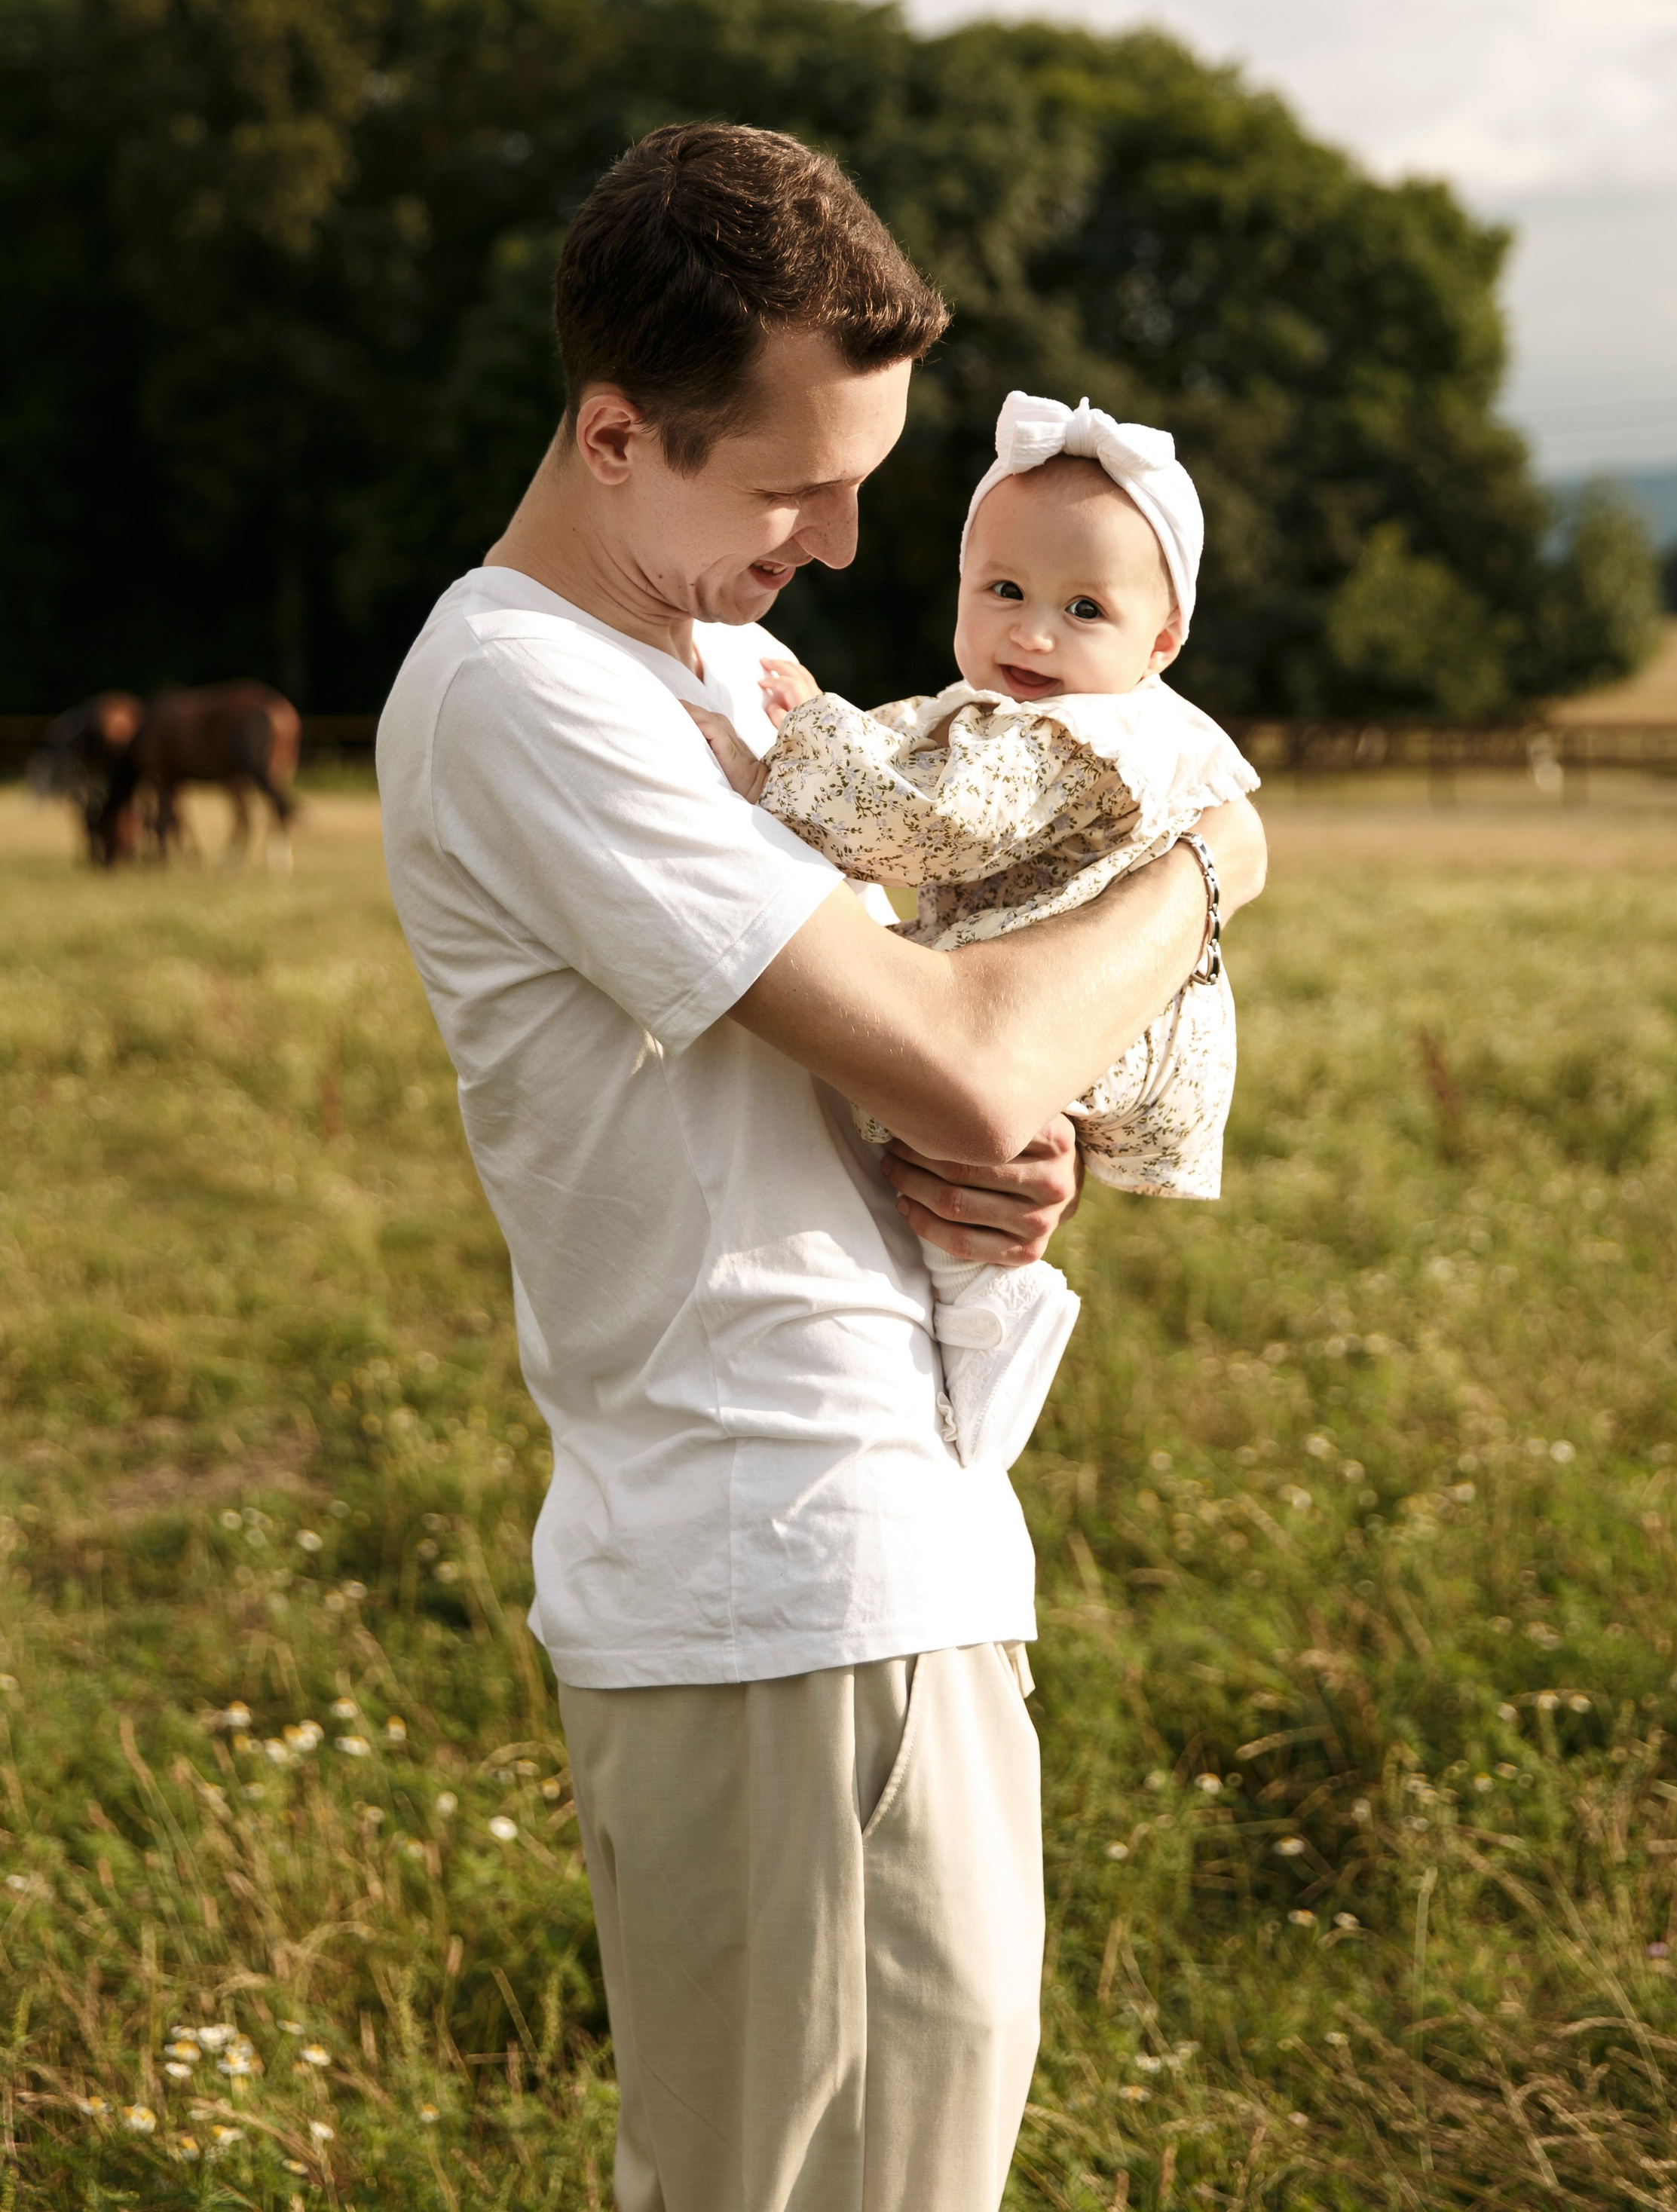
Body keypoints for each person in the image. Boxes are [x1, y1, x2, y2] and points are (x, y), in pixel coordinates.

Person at [376, 121, 1266, 2212]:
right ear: (616, 434)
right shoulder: (524, 692)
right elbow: (966, 1054)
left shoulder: (734, 675)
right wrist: (1218, 853)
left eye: (868, 483)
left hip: (893, 1540)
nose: (849, 546)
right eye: (794, 486)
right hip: (767, 1572)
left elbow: (947, 1076)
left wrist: (1015, 1167)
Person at [692, 388, 1259, 1470]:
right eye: (1003, 588)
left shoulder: (1079, 737)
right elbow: (920, 750)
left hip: (1085, 1006)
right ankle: (975, 1312)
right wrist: (834, 723)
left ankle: (988, 1324)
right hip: (1064, 986)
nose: (1034, 631)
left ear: (1164, 639)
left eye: (1085, 610)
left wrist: (782, 758)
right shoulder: (1042, 713)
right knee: (948, 1154)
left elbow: (928, 822)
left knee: (949, 1162)